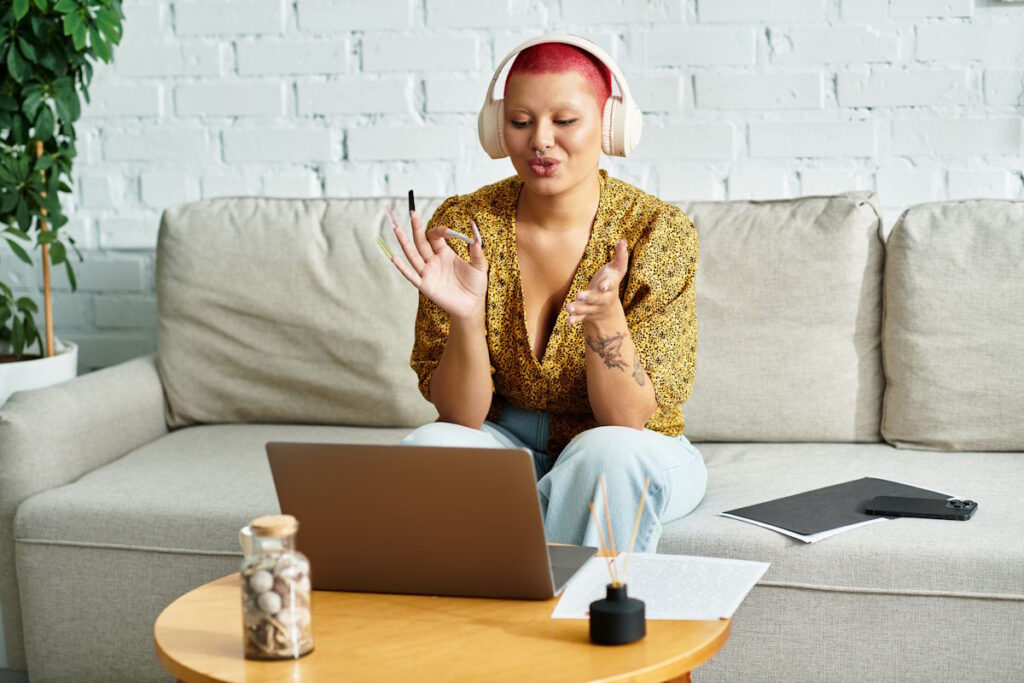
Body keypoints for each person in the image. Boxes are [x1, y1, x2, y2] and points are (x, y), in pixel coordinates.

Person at [380, 35, 706, 554]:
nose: (541, 141)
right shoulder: (465, 224)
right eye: (521, 121)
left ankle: (566, 622)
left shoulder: (657, 231)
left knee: (608, 457)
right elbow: (460, 419)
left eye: (565, 121)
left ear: (610, 125)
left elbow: (628, 422)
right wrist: (465, 318)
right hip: (508, 442)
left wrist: (605, 321)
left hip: (633, 447)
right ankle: (456, 626)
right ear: (496, 129)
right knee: (432, 447)